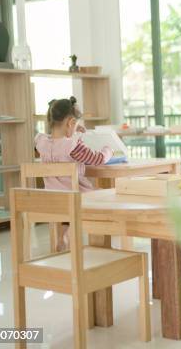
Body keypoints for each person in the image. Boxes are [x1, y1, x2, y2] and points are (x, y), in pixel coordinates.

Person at [34, 96, 112, 250]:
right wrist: (108, 150)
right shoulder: (72, 146)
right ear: (70, 122)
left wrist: (75, 132)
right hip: (76, 196)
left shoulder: (41, 142)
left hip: (53, 197)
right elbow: (97, 159)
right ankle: (76, 232)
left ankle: (62, 236)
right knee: (104, 195)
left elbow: (57, 142)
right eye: (75, 124)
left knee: (68, 202)